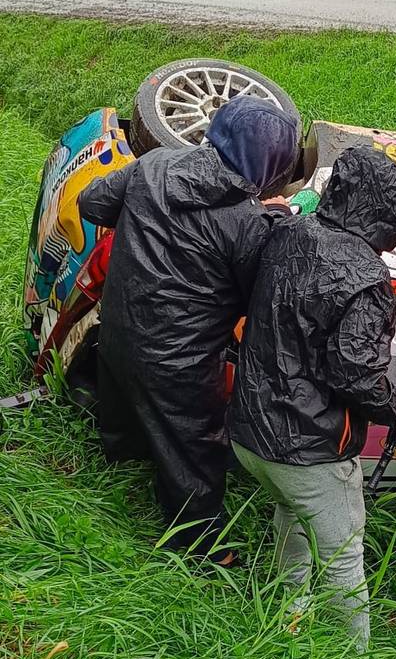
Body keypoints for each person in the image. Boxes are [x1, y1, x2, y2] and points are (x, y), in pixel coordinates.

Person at [78, 95, 299, 560]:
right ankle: (198, 545)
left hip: (116, 331)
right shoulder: (248, 222)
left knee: (122, 403)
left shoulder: (154, 165)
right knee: (195, 448)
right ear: (268, 168)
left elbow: (92, 202)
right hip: (180, 363)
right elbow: (259, 297)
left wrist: (144, 216)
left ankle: (120, 458)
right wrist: (278, 217)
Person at [228, 146, 396, 649]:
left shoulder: (288, 233)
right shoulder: (367, 278)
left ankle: (286, 616)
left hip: (250, 433)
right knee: (342, 557)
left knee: (291, 516)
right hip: (309, 450)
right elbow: (357, 378)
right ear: (389, 215)